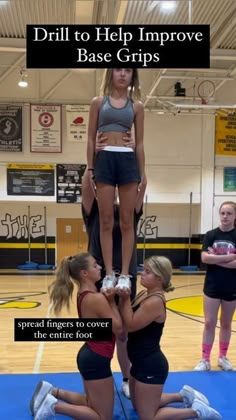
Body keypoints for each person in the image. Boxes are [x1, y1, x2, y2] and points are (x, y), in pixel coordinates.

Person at [118, 255, 222, 420]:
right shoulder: (144, 293)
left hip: (150, 365)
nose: (142, 274)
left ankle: (198, 412)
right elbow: (126, 316)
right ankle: (182, 396)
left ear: (159, 279)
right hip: (138, 361)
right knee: (137, 406)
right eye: (143, 269)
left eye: (147, 272)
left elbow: (131, 324)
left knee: (147, 417)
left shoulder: (155, 301)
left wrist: (123, 298)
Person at [82, 158, 146, 399]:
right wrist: (97, 158)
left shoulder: (130, 213)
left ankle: (127, 379)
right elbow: (87, 183)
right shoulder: (94, 213)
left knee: (123, 333)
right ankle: (97, 375)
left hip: (126, 277)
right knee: (98, 332)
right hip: (100, 276)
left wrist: (132, 159)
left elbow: (142, 184)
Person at [30, 252, 123, 420]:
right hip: (96, 358)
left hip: (90, 354)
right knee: (103, 417)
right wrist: (111, 301)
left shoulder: (84, 293)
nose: (100, 267)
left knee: (90, 403)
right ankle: (54, 406)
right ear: (84, 273)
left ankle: (52, 392)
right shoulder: (97, 299)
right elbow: (119, 329)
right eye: (95, 265)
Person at [87, 68, 145, 290]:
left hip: (127, 161)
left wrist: (143, 174)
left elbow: (139, 143)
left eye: (128, 70)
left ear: (133, 75)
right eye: (119, 69)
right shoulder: (98, 102)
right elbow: (90, 139)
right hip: (104, 160)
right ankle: (109, 272)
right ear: (111, 73)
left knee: (127, 221)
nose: (123, 74)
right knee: (106, 220)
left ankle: (125, 275)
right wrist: (91, 166)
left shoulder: (136, 106)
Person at [194, 201, 236, 371]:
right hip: (212, 286)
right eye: (223, 213)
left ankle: (223, 357)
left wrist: (215, 259)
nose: (225, 216)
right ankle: (205, 359)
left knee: (226, 323)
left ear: (235, 216)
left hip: (232, 286)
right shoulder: (210, 235)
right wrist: (228, 258)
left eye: (229, 213)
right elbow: (204, 259)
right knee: (209, 322)